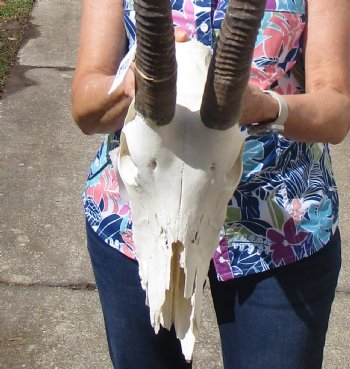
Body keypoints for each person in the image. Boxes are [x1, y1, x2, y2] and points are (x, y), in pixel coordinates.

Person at [71, 0, 350, 368]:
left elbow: (336, 112)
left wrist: (268, 107)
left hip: (279, 227)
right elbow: (85, 107)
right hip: (139, 226)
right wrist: (130, 85)